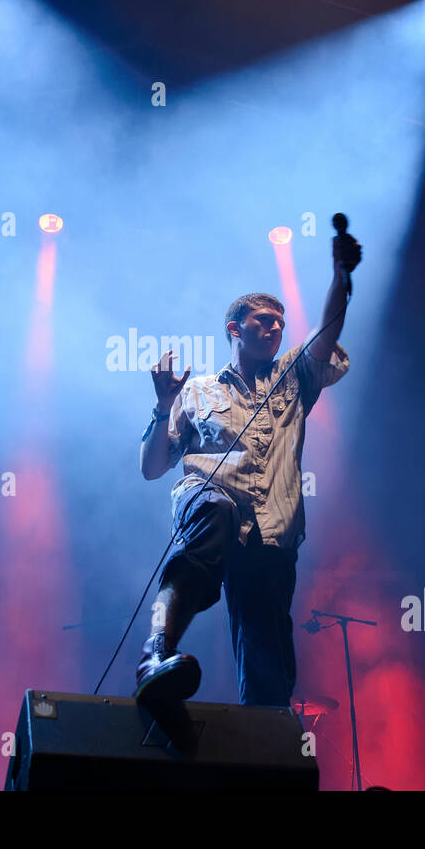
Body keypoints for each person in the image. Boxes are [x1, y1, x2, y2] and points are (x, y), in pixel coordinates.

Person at [135, 233, 361, 706]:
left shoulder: (294, 376)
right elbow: (153, 468)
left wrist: (341, 279)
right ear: (235, 329)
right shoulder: (195, 391)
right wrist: (162, 406)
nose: (276, 327)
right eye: (264, 320)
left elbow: (328, 332)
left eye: (280, 322)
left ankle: (269, 749)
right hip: (208, 503)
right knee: (214, 511)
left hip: (272, 529)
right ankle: (156, 652)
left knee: (268, 657)